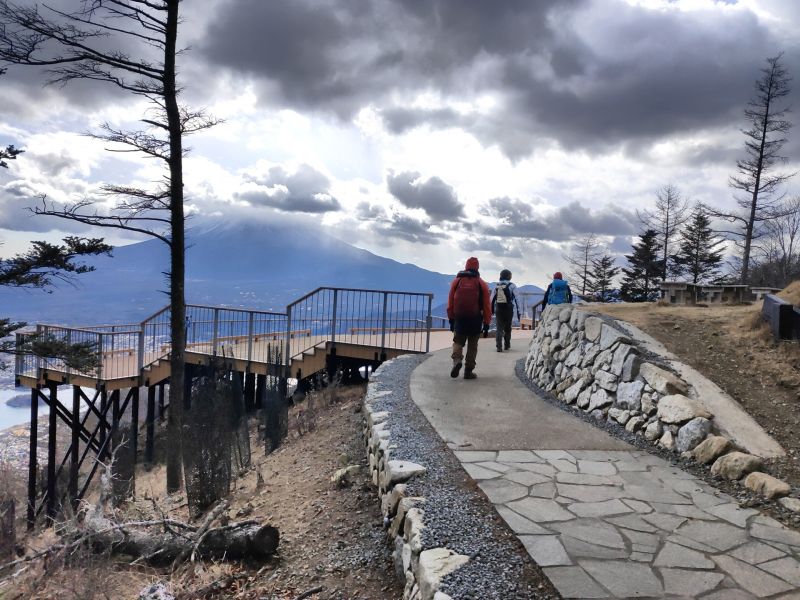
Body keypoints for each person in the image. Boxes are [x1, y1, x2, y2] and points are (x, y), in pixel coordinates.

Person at [447, 257, 492, 379]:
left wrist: (451, 318)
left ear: (466, 266)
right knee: (473, 345)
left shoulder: (456, 281)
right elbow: (487, 305)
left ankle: (457, 360)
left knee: (458, 342)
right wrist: (487, 323)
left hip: (460, 318)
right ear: (477, 267)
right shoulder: (481, 283)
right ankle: (468, 371)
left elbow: (450, 301)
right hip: (475, 319)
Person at [491, 269, 521, 352]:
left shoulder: (497, 286)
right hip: (509, 308)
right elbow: (517, 299)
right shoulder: (512, 286)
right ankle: (507, 345)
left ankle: (498, 347)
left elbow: (491, 299)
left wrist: (492, 310)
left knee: (499, 328)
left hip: (499, 308)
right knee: (508, 328)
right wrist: (519, 311)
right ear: (509, 276)